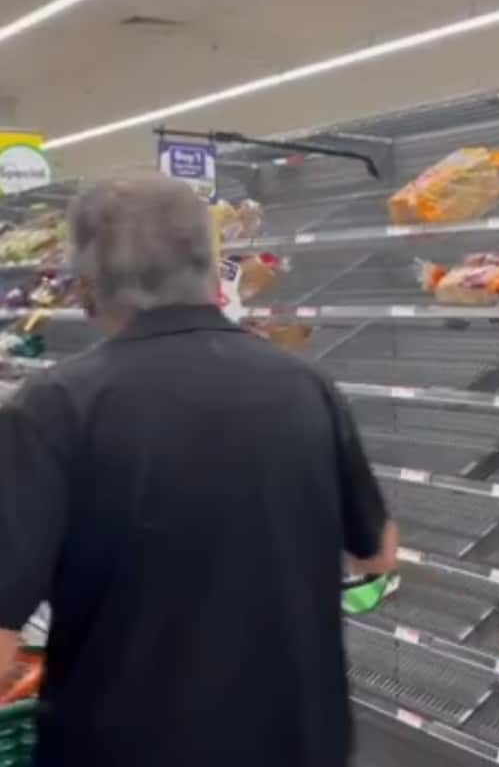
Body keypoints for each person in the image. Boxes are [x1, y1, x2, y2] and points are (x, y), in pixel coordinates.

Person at [0, 175, 397, 767]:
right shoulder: (305, 386)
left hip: (124, 744)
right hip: (296, 740)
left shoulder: (55, 405)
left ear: (91, 283)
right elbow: (377, 554)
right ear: (210, 266)